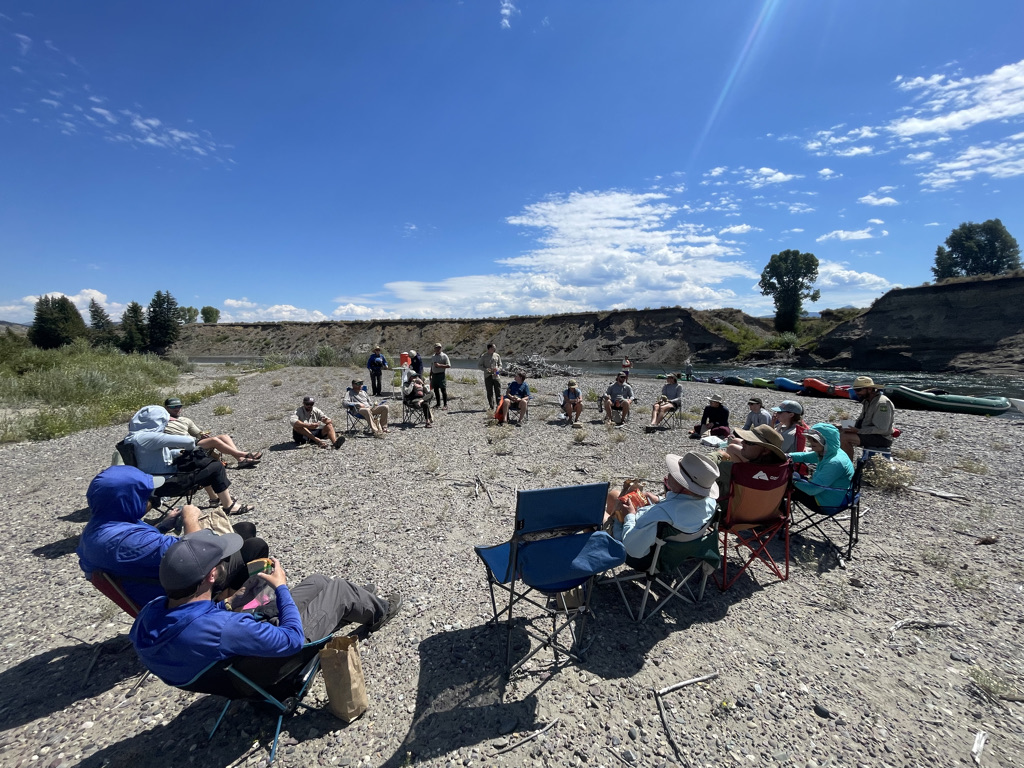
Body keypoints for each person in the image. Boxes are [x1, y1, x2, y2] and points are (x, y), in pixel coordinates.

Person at [130, 530, 403, 688]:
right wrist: (281, 587)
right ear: (211, 576)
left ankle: (357, 598)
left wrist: (229, 603)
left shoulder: (150, 615)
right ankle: (379, 610)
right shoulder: (220, 629)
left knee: (319, 581)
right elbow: (292, 639)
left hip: (241, 663)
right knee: (339, 588)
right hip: (277, 664)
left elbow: (209, 623)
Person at [78, 465, 267, 607]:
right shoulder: (126, 542)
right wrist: (190, 519)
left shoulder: (99, 530)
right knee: (254, 545)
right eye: (146, 494)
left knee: (244, 528)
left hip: (157, 581)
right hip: (184, 592)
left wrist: (162, 526)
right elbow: (196, 557)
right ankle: (225, 602)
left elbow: (135, 549)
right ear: (128, 500)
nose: (153, 497)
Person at [127, 405, 253, 516]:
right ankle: (229, 506)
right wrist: (189, 447)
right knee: (215, 466)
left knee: (202, 466)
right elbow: (188, 441)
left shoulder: (132, 438)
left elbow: (156, 456)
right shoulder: (149, 437)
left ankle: (215, 499)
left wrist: (177, 452)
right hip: (166, 484)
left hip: (151, 482)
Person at [605, 452, 719, 566]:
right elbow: (681, 506)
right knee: (614, 495)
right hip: (678, 553)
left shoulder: (661, 515)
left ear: (685, 487)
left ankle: (596, 562)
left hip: (648, 559)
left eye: (674, 474)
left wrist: (629, 515)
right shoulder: (711, 504)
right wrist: (659, 500)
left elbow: (632, 549)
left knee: (600, 515)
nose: (669, 474)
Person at [163, 398, 262, 469]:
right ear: (166, 408)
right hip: (181, 447)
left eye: (179, 406)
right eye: (173, 407)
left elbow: (198, 434)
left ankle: (240, 460)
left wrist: (202, 435)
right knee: (214, 441)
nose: (177, 409)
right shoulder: (161, 420)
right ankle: (244, 454)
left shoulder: (185, 420)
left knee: (224, 437)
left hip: (193, 442)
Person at [788, 423, 854, 510]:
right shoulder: (833, 452)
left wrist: (791, 480)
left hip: (827, 504)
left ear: (826, 442)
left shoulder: (833, 463)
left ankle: (775, 517)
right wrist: (787, 456)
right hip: (835, 495)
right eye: (810, 439)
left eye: (815, 440)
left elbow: (812, 490)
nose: (811, 443)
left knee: (782, 486)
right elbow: (805, 456)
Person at [716, 423, 787, 495]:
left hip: (736, 503)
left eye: (749, 442)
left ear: (765, 451)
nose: (743, 442)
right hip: (768, 505)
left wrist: (717, 455)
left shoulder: (733, 469)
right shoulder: (782, 471)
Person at [841, 376, 896, 460]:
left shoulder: (882, 403)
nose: (856, 393)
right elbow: (862, 421)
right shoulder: (867, 401)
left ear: (869, 389)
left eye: (859, 390)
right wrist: (844, 426)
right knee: (836, 431)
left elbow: (882, 429)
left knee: (844, 438)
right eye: (855, 390)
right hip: (869, 433)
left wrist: (858, 431)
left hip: (881, 437)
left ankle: (848, 467)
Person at [478, 343, 502, 411]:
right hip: (488, 376)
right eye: (493, 348)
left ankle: (499, 405)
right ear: (489, 348)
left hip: (496, 376)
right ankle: (491, 406)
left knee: (498, 391)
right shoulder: (484, 356)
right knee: (489, 392)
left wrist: (497, 370)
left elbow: (500, 365)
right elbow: (479, 365)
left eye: (495, 348)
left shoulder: (497, 355)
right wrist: (486, 370)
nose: (494, 349)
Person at [430, 343, 451, 410]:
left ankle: (445, 405)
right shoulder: (433, 356)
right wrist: (430, 374)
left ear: (441, 348)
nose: (438, 349)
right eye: (436, 348)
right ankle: (438, 404)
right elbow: (432, 365)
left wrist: (440, 365)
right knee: (436, 390)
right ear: (434, 349)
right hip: (434, 375)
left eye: (439, 347)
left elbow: (449, 365)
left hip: (441, 374)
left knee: (443, 390)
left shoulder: (444, 356)